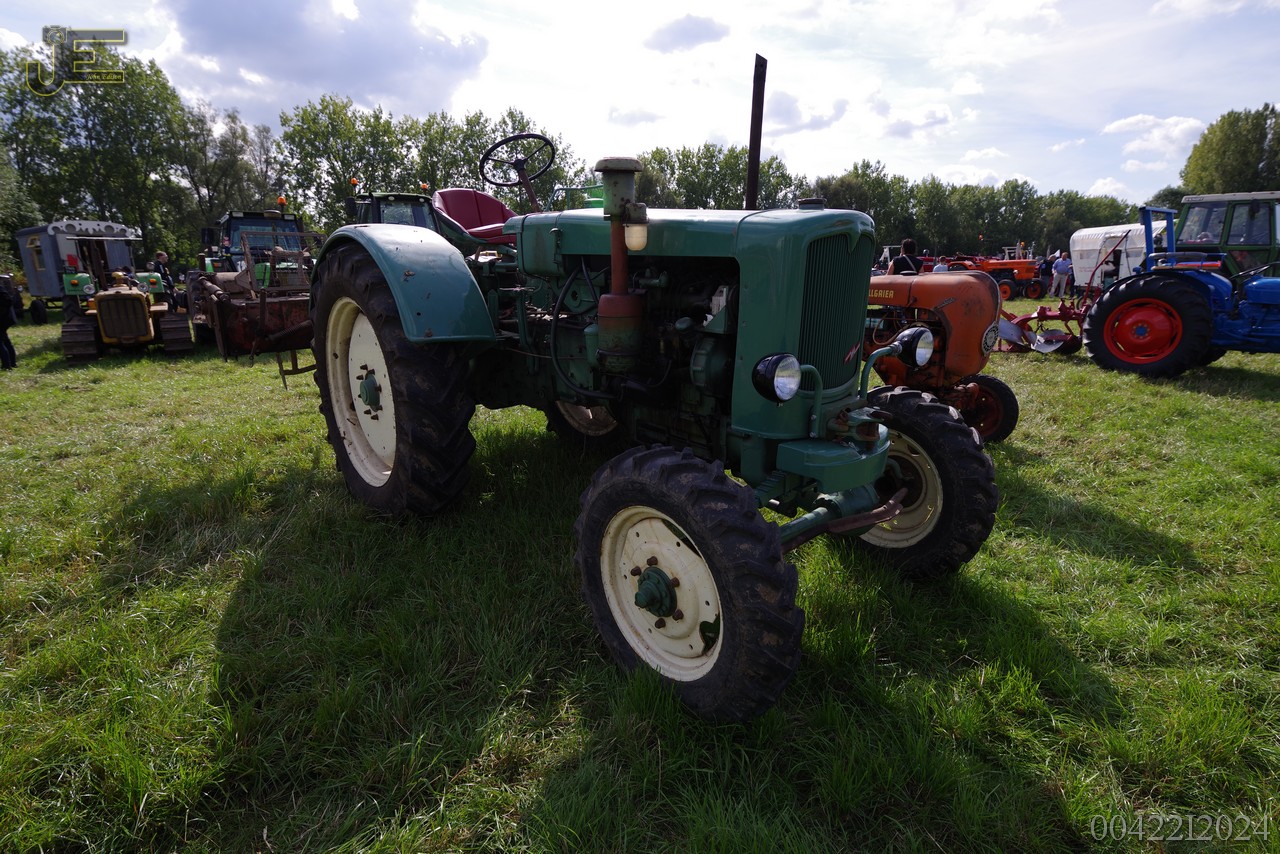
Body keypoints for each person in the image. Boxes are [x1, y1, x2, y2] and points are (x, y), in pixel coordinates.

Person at [0, 278, 17, 370]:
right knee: (5, 340)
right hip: (5, 318)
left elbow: (8, 301)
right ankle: (12, 363)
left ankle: (6, 365)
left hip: (3, 318)